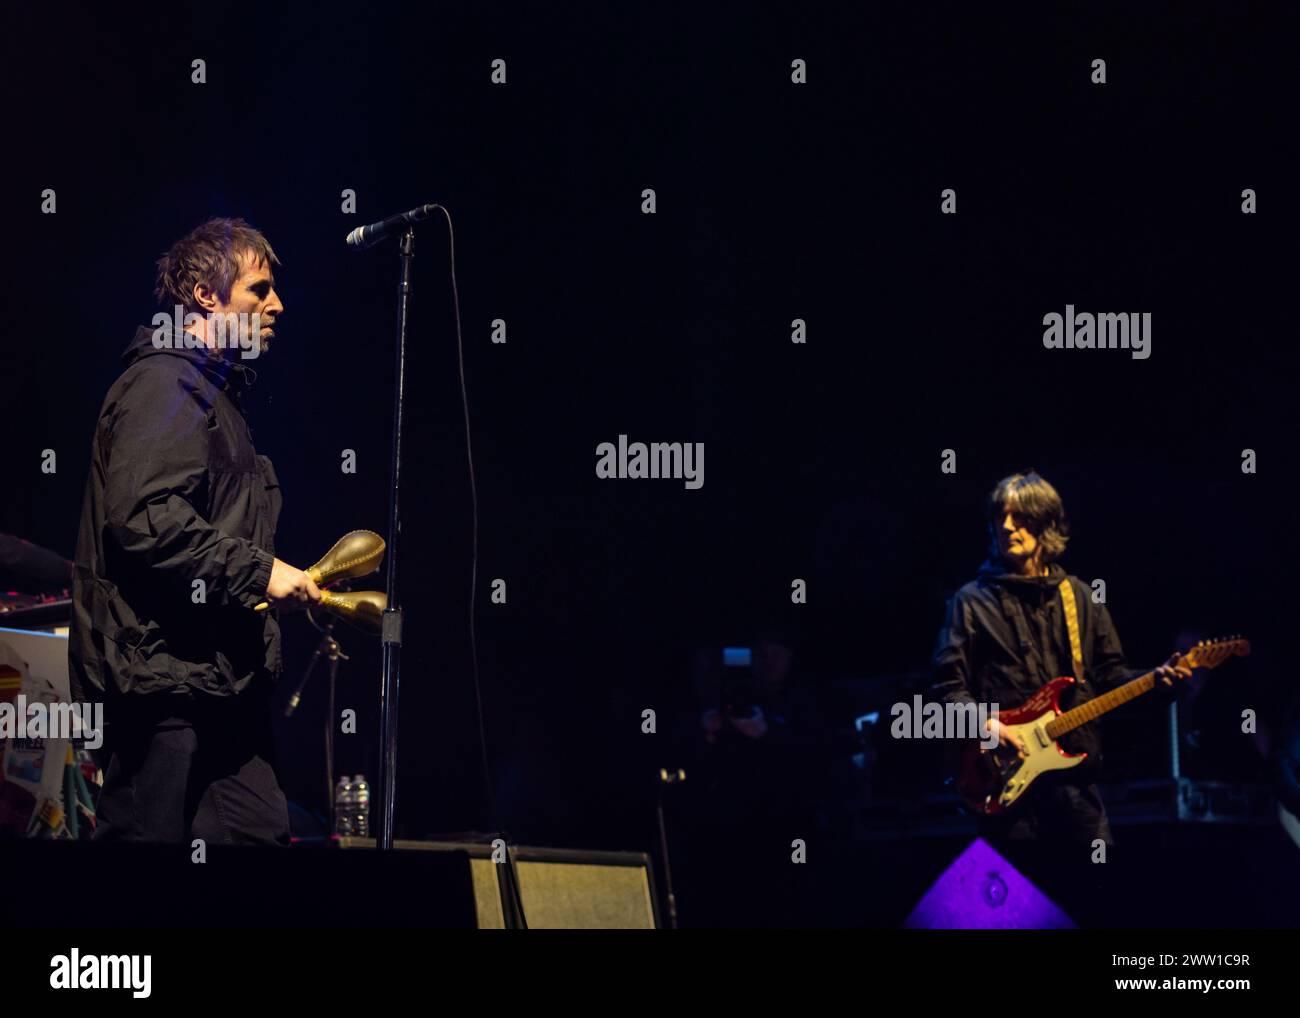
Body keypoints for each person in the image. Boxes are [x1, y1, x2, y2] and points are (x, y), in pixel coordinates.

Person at [68, 217, 322, 845]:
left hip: (218, 685)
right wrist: (261, 572)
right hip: (163, 688)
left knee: (257, 840)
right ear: (206, 295)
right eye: (259, 290)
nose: (277, 305)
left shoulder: (214, 397)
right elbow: (146, 517)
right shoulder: (165, 382)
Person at [929, 471, 1188, 921]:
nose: (1006, 526)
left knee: (1099, 903)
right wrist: (985, 724)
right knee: (1019, 914)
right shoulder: (969, 602)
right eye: (999, 517)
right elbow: (946, 689)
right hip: (1007, 792)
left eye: (1019, 517)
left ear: (1046, 523)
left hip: (1075, 791)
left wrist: (1157, 684)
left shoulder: (1081, 598)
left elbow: (1110, 681)